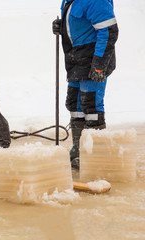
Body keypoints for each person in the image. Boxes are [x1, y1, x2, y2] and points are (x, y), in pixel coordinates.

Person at [52, 0, 119, 169]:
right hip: (76, 59)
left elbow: (109, 32)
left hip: (92, 59)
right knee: (74, 104)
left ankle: (95, 156)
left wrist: (99, 65)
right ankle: (78, 149)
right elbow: (78, 23)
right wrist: (61, 26)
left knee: (91, 107)